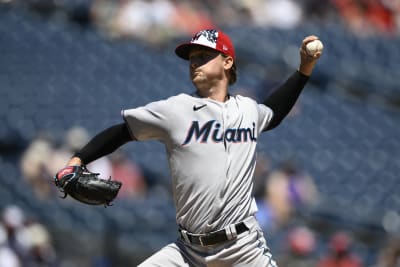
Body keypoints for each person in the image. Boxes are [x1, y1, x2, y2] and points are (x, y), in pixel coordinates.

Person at [55, 29, 322, 266]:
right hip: (188, 253)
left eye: (204, 56)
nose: (195, 62)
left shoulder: (247, 110)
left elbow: (273, 112)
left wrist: (303, 71)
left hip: (244, 249)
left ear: (228, 62)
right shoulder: (175, 110)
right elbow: (122, 132)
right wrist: (77, 160)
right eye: (192, 57)